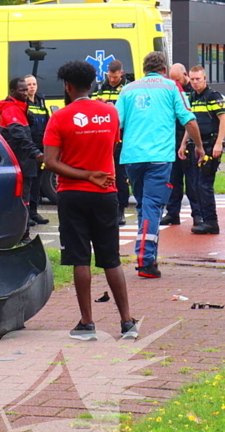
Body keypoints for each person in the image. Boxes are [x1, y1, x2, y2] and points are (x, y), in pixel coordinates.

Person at [44, 60, 139, 341]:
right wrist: (96, 174)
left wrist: (85, 175)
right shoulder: (110, 113)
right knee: (111, 259)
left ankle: (87, 323)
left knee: (80, 258)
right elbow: (109, 148)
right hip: (106, 193)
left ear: (67, 86)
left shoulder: (60, 117)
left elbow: (51, 162)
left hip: (72, 194)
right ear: (93, 83)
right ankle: (127, 322)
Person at [117, 51, 203, 279]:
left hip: (132, 157)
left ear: (145, 69)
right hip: (159, 157)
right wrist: (199, 146)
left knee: (144, 205)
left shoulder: (128, 90)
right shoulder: (172, 88)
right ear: (164, 69)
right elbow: (189, 120)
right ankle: (145, 261)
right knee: (153, 206)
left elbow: (117, 124)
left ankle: (148, 256)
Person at [0, 78, 45, 238]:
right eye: (22, 90)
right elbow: (19, 136)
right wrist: (36, 153)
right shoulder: (12, 109)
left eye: (26, 90)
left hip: (23, 161)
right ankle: (22, 236)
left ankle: (22, 234)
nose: (25, 93)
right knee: (21, 201)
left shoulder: (20, 107)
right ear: (12, 92)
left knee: (24, 199)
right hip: (19, 162)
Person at [183, 65, 225, 235]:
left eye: (198, 79)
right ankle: (205, 220)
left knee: (204, 184)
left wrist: (219, 143)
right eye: (192, 79)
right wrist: (183, 143)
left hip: (210, 145)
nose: (195, 82)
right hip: (197, 146)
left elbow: (223, 120)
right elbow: (190, 123)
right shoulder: (191, 97)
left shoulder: (213, 96)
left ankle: (211, 222)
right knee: (195, 184)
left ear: (205, 79)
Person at [162, 63, 202, 226]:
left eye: (177, 80)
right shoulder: (171, 90)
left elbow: (192, 120)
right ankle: (172, 213)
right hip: (173, 139)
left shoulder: (195, 92)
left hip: (189, 139)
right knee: (173, 179)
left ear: (185, 75)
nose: (175, 83)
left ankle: (197, 215)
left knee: (193, 181)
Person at [93, 60, 132, 226]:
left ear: (121, 73)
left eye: (116, 77)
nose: (113, 79)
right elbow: (92, 106)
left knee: (120, 174)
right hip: (103, 136)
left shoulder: (128, 88)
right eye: (111, 76)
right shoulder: (100, 87)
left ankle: (120, 209)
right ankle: (105, 209)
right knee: (103, 171)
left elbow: (130, 111)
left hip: (122, 136)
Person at [24, 75, 51, 227]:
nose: (32, 87)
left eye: (34, 84)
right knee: (28, 181)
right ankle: (27, 213)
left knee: (37, 181)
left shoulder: (40, 101)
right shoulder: (24, 103)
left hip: (41, 145)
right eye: (29, 84)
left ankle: (34, 211)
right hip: (29, 147)